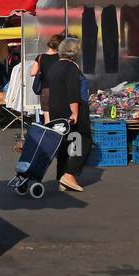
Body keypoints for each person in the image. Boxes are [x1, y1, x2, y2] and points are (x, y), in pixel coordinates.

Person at [47, 36, 90, 192]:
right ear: (75, 52)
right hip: (73, 108)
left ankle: (63, 176)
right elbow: (73, 91)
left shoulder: (55, 66)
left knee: (65, 142)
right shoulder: (71, 67)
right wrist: (75, 112)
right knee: (83, 140)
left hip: (56, 109)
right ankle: (70, 174)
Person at [30, 33, 63, 121]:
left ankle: (48, 134)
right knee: (59, 117)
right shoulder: (61, 57)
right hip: (59, 90)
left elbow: (32, 72)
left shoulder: (40, 57)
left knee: (47, 118)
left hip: (45, 90)